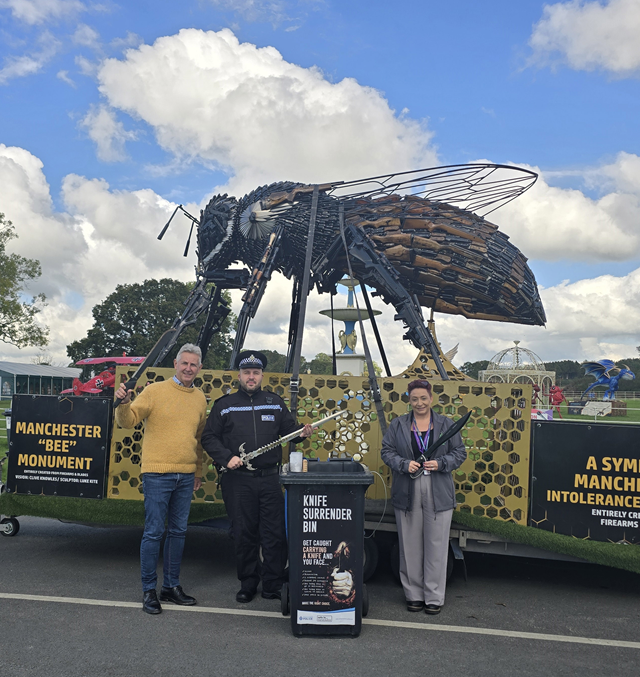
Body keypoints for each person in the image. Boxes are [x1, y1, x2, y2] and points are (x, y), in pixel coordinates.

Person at [201, 351, 313, 603]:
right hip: (238, 480)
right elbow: (209, 437)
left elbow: (289, 432)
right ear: (239, 375)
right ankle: (248, 582)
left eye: (256, 373)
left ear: (262, 375)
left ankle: (272, 583)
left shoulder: (274, 402)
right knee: (243, 533)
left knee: (273, 533)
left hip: (269, 478)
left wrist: (302, 432)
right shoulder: (225, 404)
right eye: (246, 373)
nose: (251, 377)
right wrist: (226, 457)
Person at [115, 343, 207, 615]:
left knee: (178, 532)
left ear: (199, 368)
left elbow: (199, 439)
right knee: (154, 532)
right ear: (175, 365)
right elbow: (128, 421)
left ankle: (171, 587)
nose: (189, 368)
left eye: (194, 364)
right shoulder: (154, 391)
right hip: (157, 473)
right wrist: (123, 402)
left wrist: (198, 471)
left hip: (186, 474)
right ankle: (148, 591)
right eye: (184, 363)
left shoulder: (200, 398)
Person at [381, 379, 466, 615]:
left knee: (436, 545)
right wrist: (403, 463)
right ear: (409, 399)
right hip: (407, 487)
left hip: (438, 488)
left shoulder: (445, 424)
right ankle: (414, 595)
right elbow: (386, 451)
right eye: (415, 399)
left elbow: (460, 452)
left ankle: (434, 597)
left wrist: (441, 463)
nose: (420, 403)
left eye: (424, 398)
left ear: (431, 398)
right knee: (409, 545)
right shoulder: (398, 425)